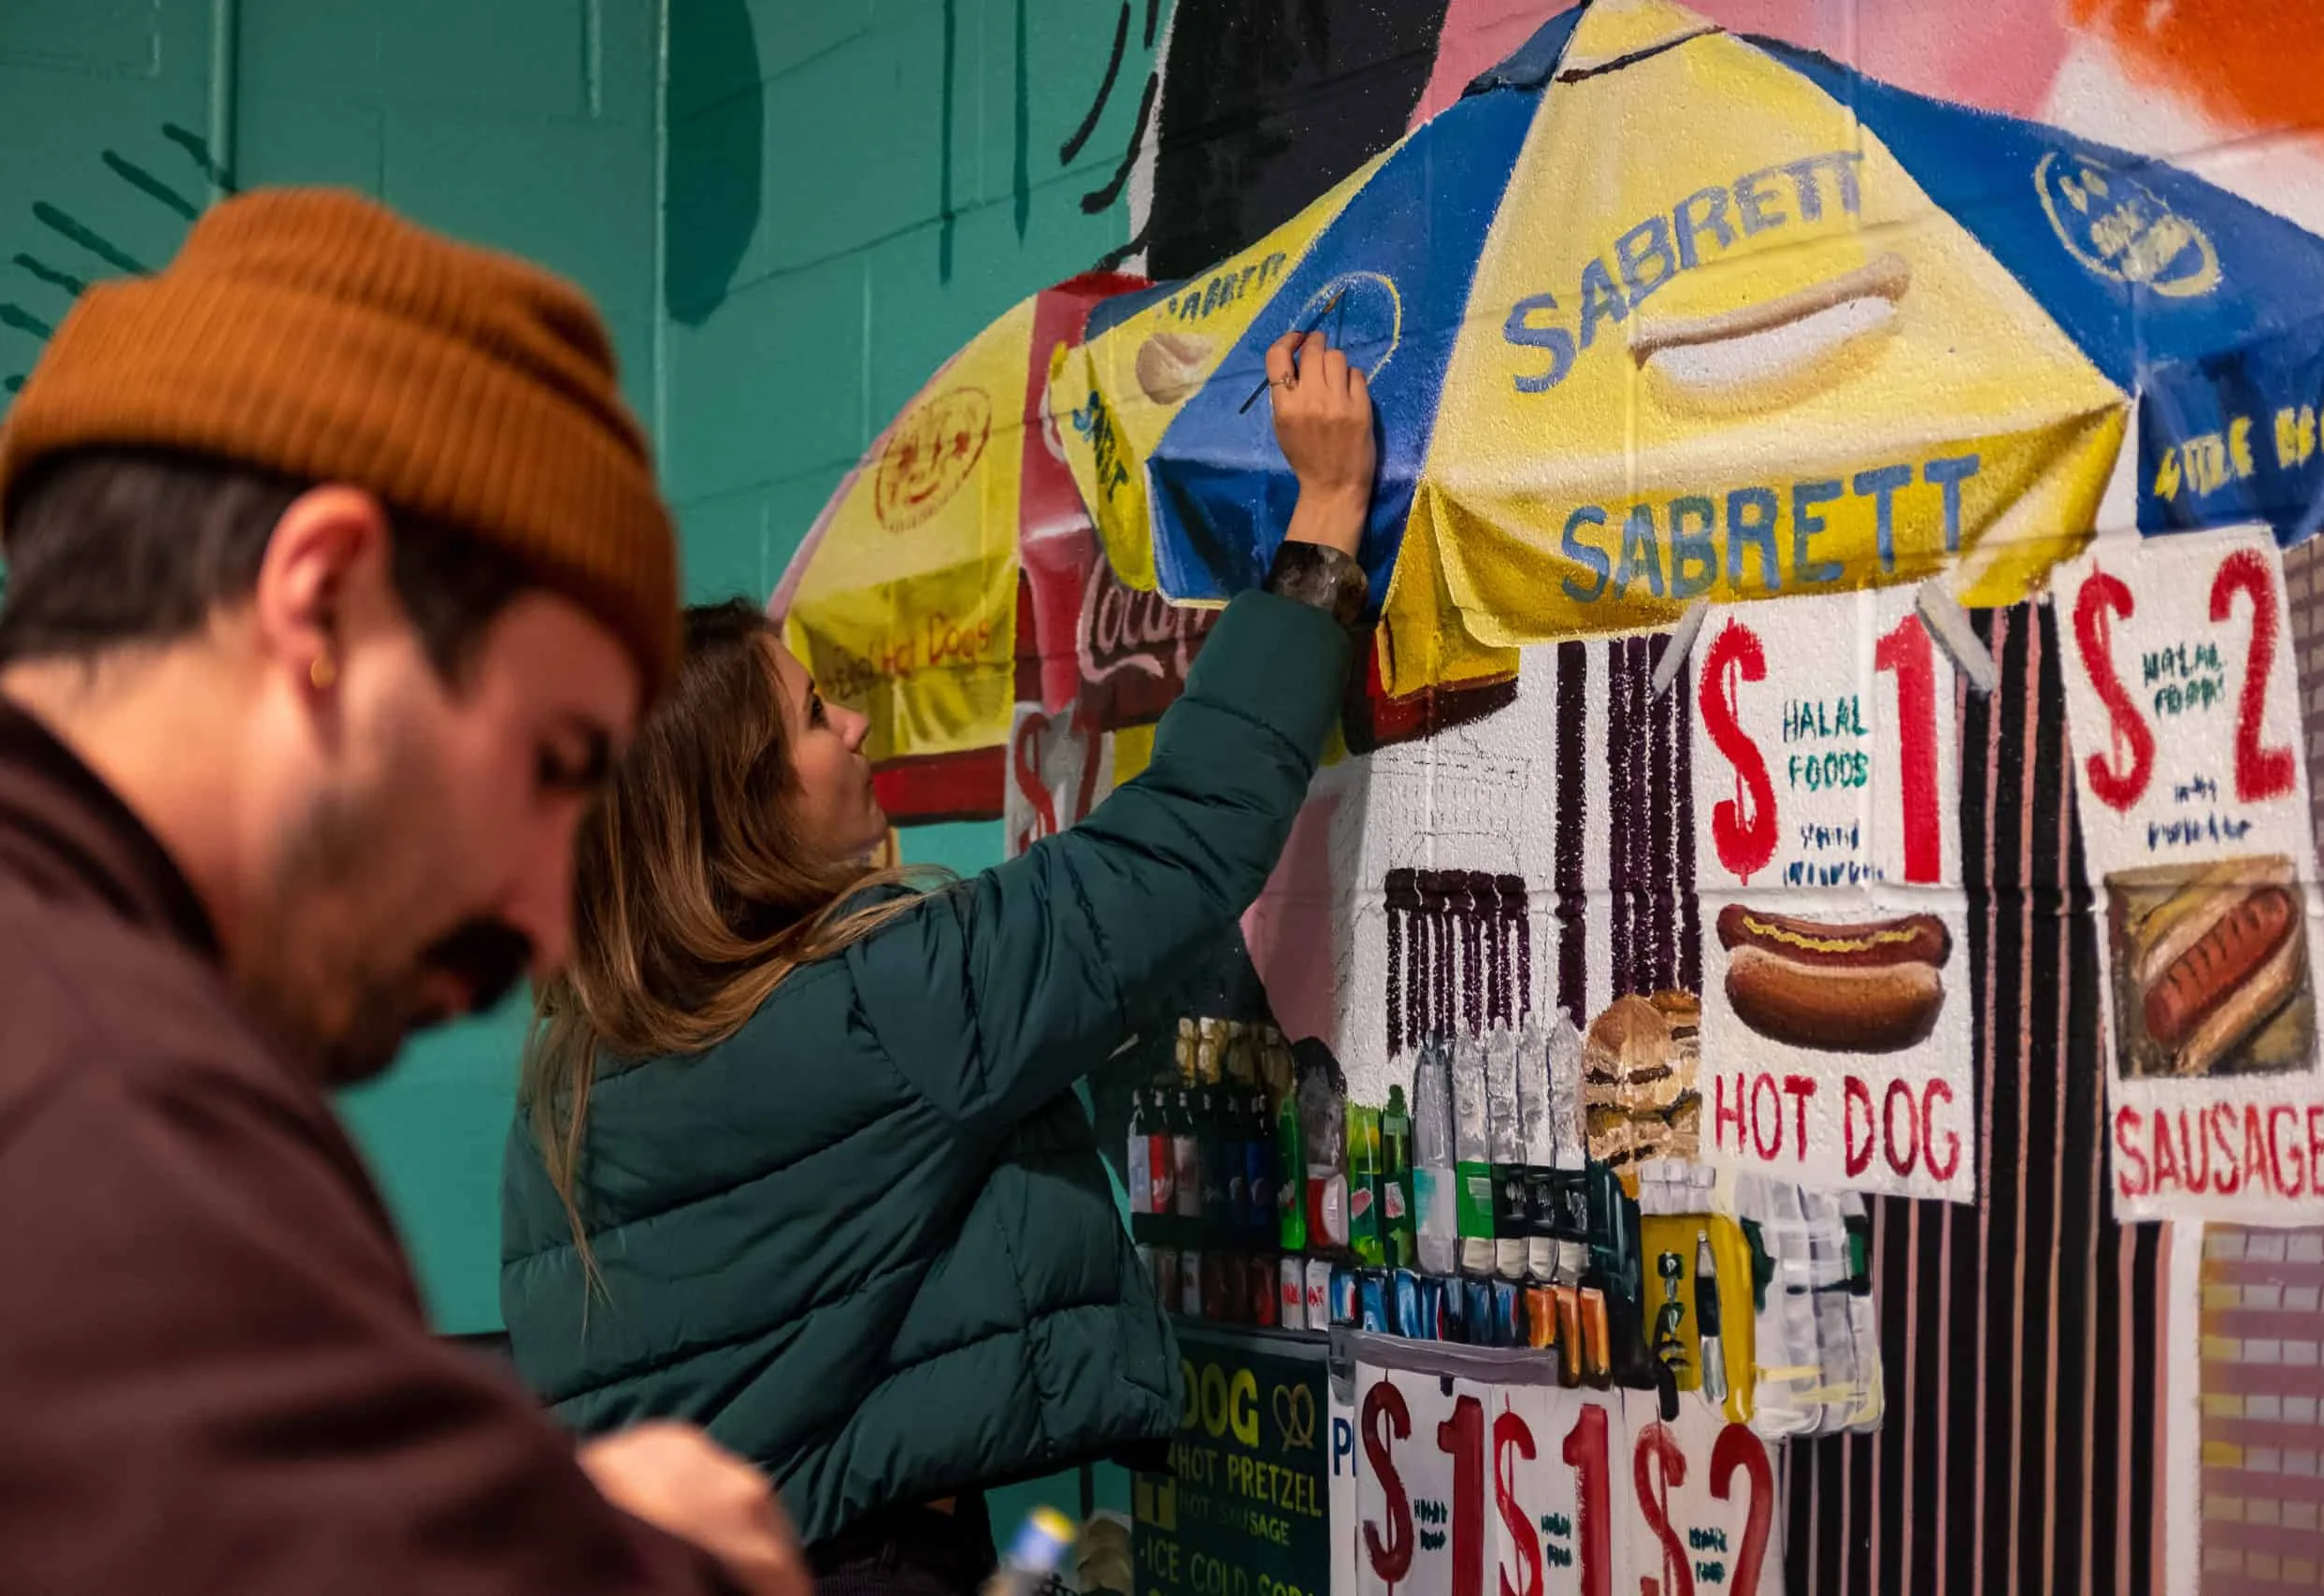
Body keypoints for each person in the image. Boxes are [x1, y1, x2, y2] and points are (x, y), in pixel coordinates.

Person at [0, 188, 812, 1596]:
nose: (547, 919)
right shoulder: (97, 1080)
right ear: (319, 604)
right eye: (552, 766)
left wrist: (488, 1502)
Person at [500, 329, 1377, 1592]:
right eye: (812, 717)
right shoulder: (878, 1004)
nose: (851, 720)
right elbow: (1184, 839)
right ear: (742, 818)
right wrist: (1328, 517)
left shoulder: (573, 1070)